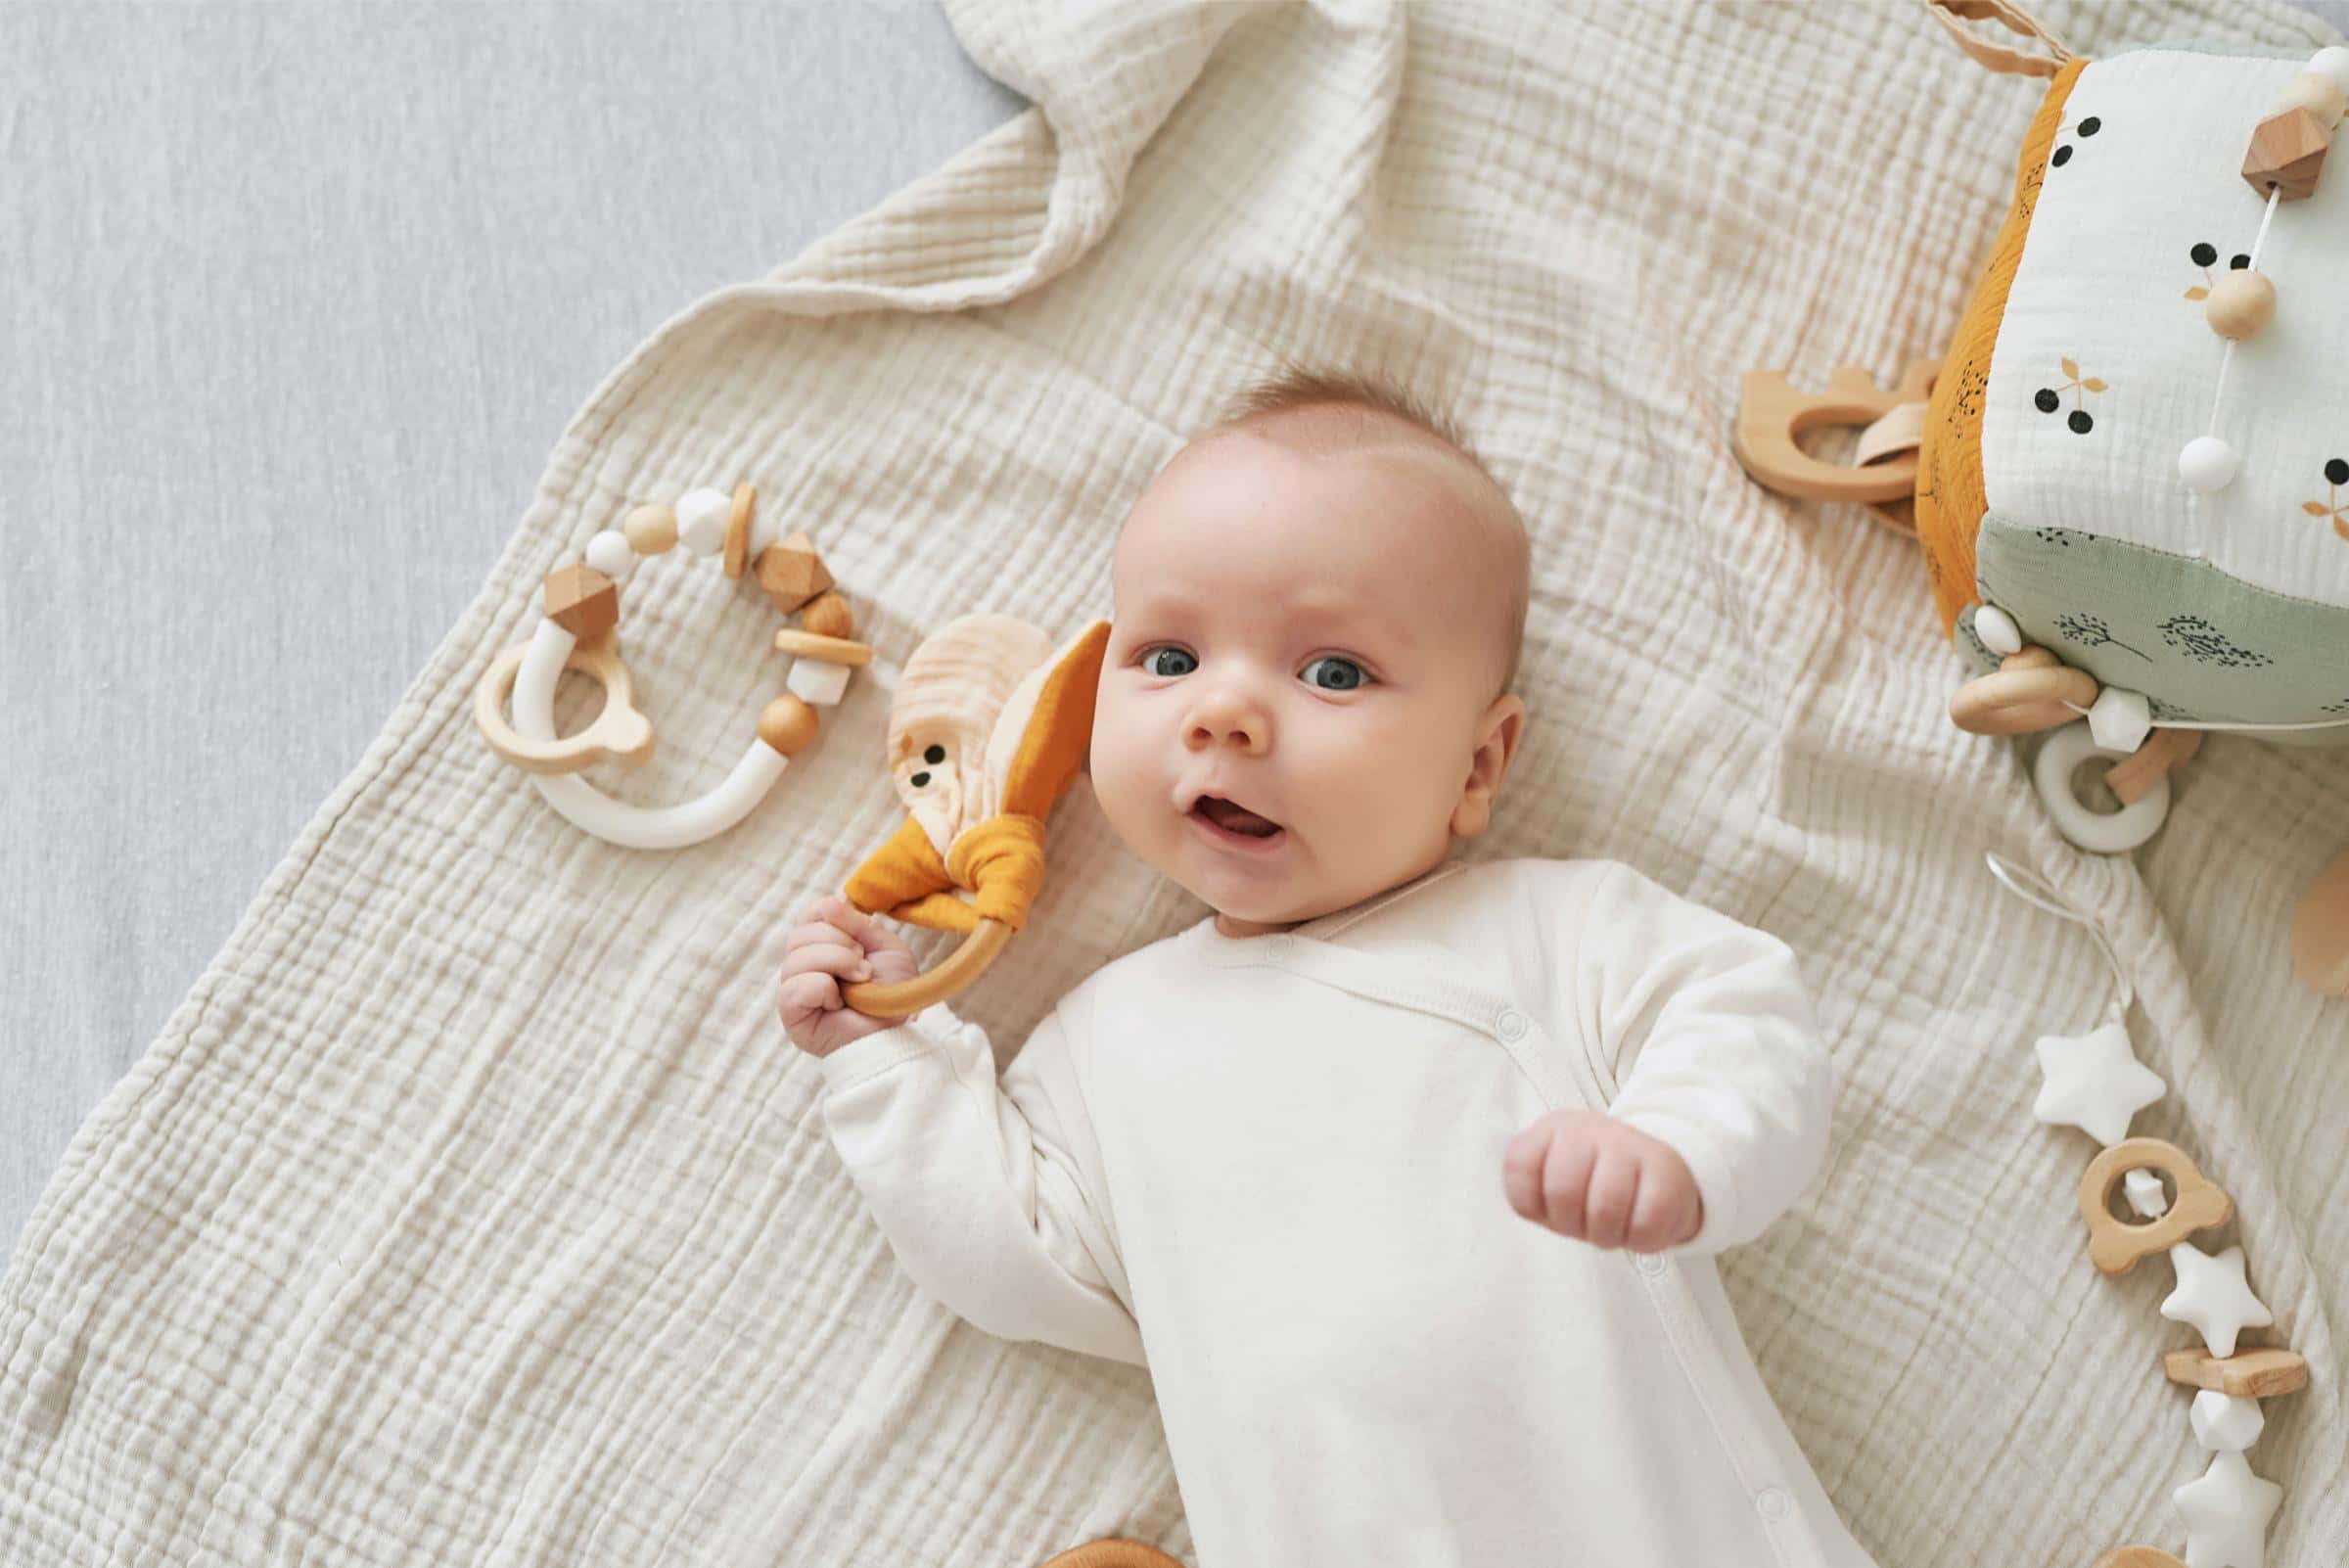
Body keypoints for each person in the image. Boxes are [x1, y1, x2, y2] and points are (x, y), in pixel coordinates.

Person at [775, 366, 1877, 1567]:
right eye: (1168, 659)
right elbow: (1012, 1252)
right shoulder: (1109, 1046)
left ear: (1476, 767)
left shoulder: (1556, 935)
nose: (1226, 715)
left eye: (1333, 673)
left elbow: (1746, 1020)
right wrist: (881, 1057)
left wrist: (1682, 1145)